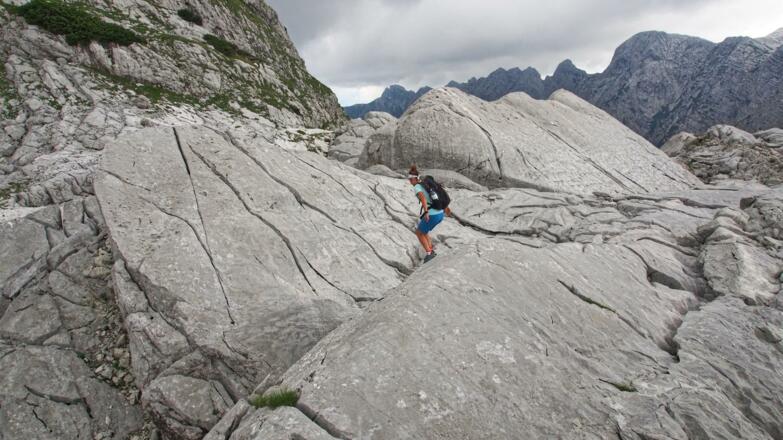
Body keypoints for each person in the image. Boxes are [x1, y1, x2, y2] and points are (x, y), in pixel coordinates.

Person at [408, 165, 451, 263]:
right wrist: (445, 208)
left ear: (416, 179)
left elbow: (423, 198)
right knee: (424, 231)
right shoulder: (425, 184)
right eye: (409, 180)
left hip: (432, 215)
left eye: (411, 180)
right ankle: (431, 250)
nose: (410, 182)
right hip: (439, 213)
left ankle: (429, 253)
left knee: (419, 233)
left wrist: (426, 212)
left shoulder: (418, 187)